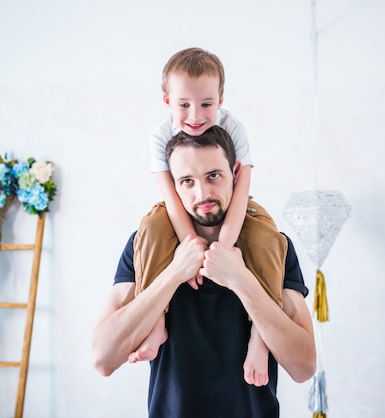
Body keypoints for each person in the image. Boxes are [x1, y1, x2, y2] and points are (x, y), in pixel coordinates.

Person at [92, 126, 316, 418]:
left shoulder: (273, 246)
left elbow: (304, 367)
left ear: (235, 173)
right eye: (187, 181)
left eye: (213, 175)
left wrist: (241, 279)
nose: (203, 193)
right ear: (173, 186)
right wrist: (174, 273)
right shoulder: (145, 246)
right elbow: (102, 359)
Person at [131, 47, 288, 387]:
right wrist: (193, 245)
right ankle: (156, 320)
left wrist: (224, 248)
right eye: (184, 105)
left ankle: (260, 338)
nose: (196, 115)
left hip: (236, 206)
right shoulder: (160, 137)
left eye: (206, 104)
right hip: (180, 209)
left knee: (266, 238)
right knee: (152, 228)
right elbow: (172, 198)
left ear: (220, 99)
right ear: (167, 102)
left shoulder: (234, 127)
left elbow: (242, 186)